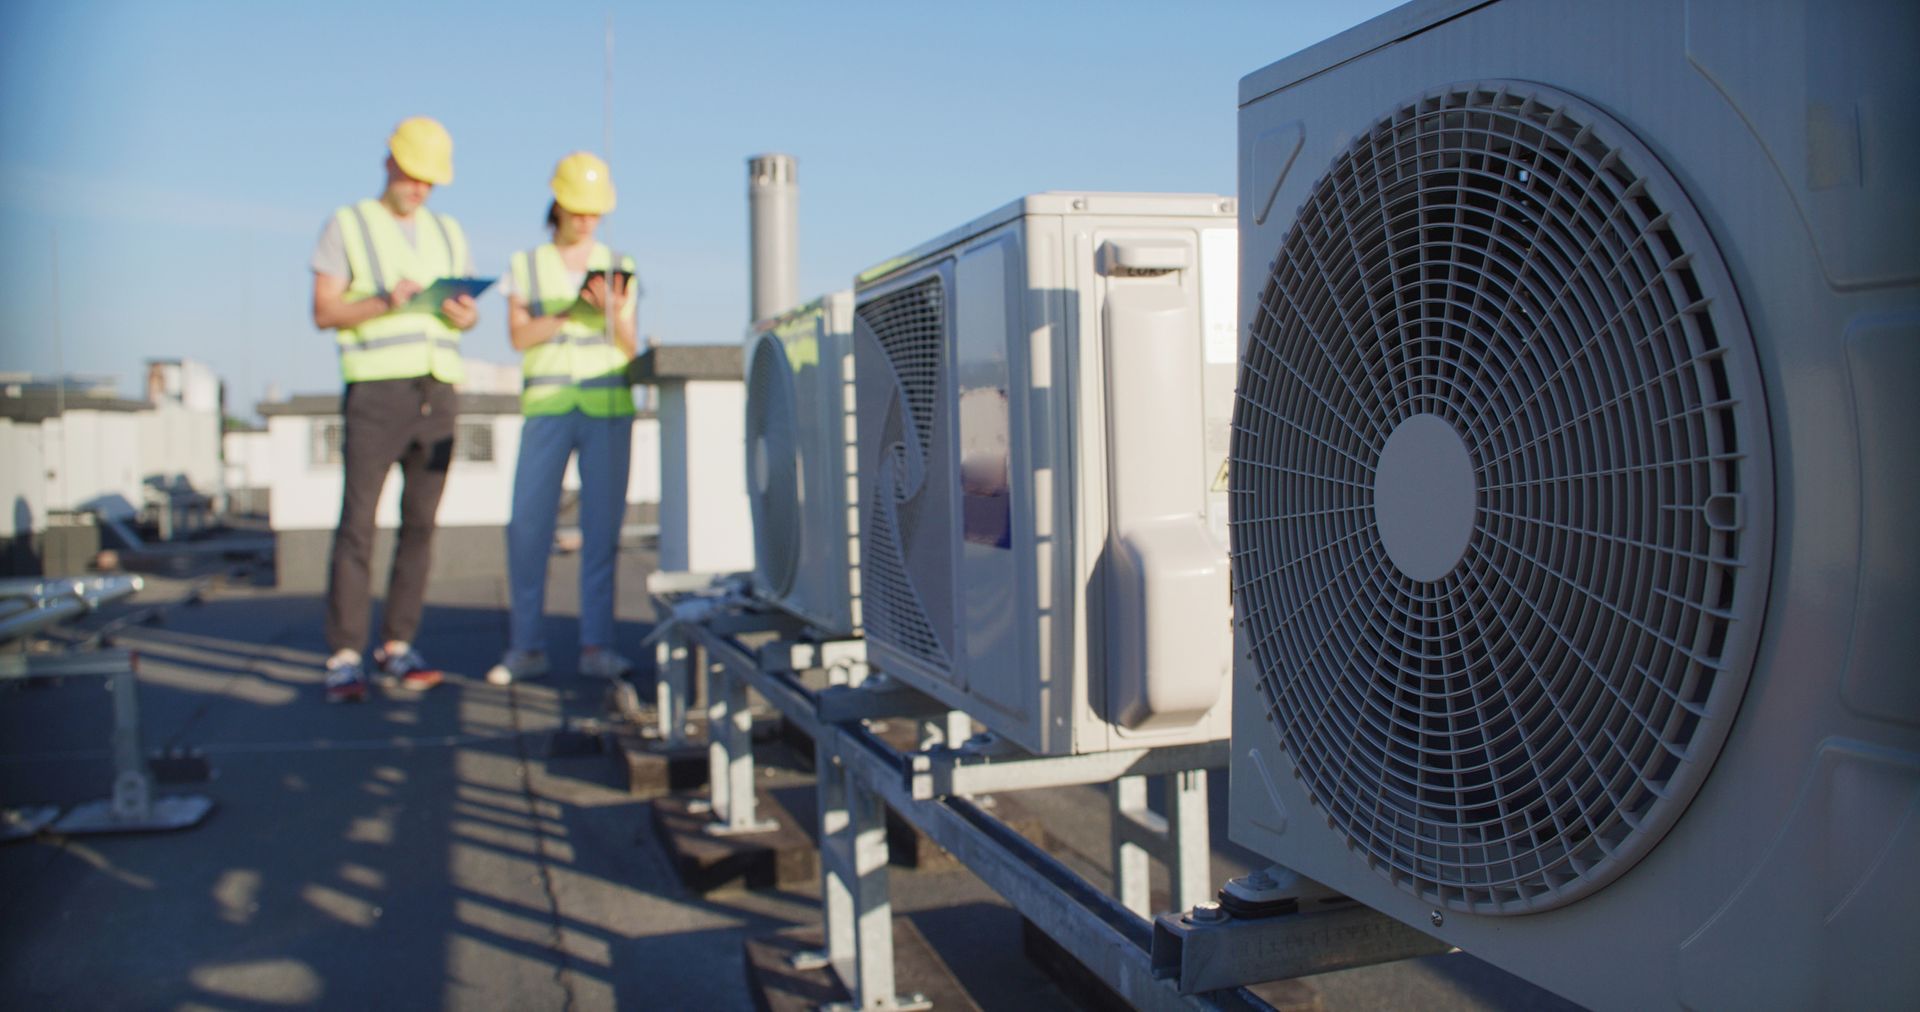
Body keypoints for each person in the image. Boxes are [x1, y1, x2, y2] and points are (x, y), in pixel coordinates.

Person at [309, 116, 480, 703]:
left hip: (437, 391)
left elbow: (463, 311)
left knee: (420, 526)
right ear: (389, 164)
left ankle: (398, 645)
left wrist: (466, 315)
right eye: (413, 177)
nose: (420, 190)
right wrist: (385, 301)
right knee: (358, 523)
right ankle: (344, 654)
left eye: (430, 181)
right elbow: (325, 311)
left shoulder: (448, 231)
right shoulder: (348, 225)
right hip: (377, 394)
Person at [486, 153, 639, 685]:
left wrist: (612, 315)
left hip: (608, 409)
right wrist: (568, 315)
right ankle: (525, 647)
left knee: (601, 534)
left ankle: (596, 646)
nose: (586, 220)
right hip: (549, 409)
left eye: (595, 212)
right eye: (579, 210)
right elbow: (518, 337)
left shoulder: (621, 264)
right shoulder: (526, 265)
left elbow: (630, 344)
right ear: (558, 204)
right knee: (528, 529)